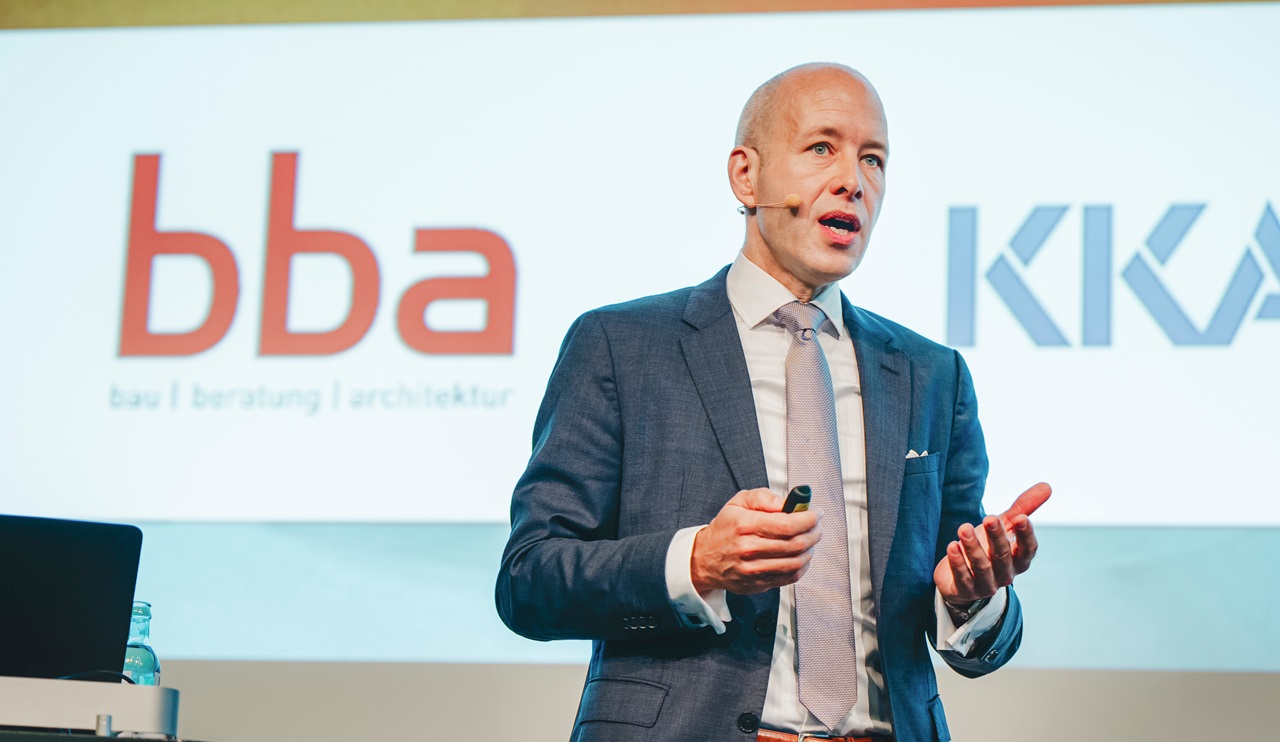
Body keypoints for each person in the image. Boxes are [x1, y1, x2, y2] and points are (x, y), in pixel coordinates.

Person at [496, 62, 1049, 742]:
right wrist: (697, 562)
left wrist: (972, 597)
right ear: (745, 176)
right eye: (823, 147)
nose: (854, 179)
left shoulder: (932, 375)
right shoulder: (622, 346)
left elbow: (962, 604)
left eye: (873, 159)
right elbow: (529, 579)